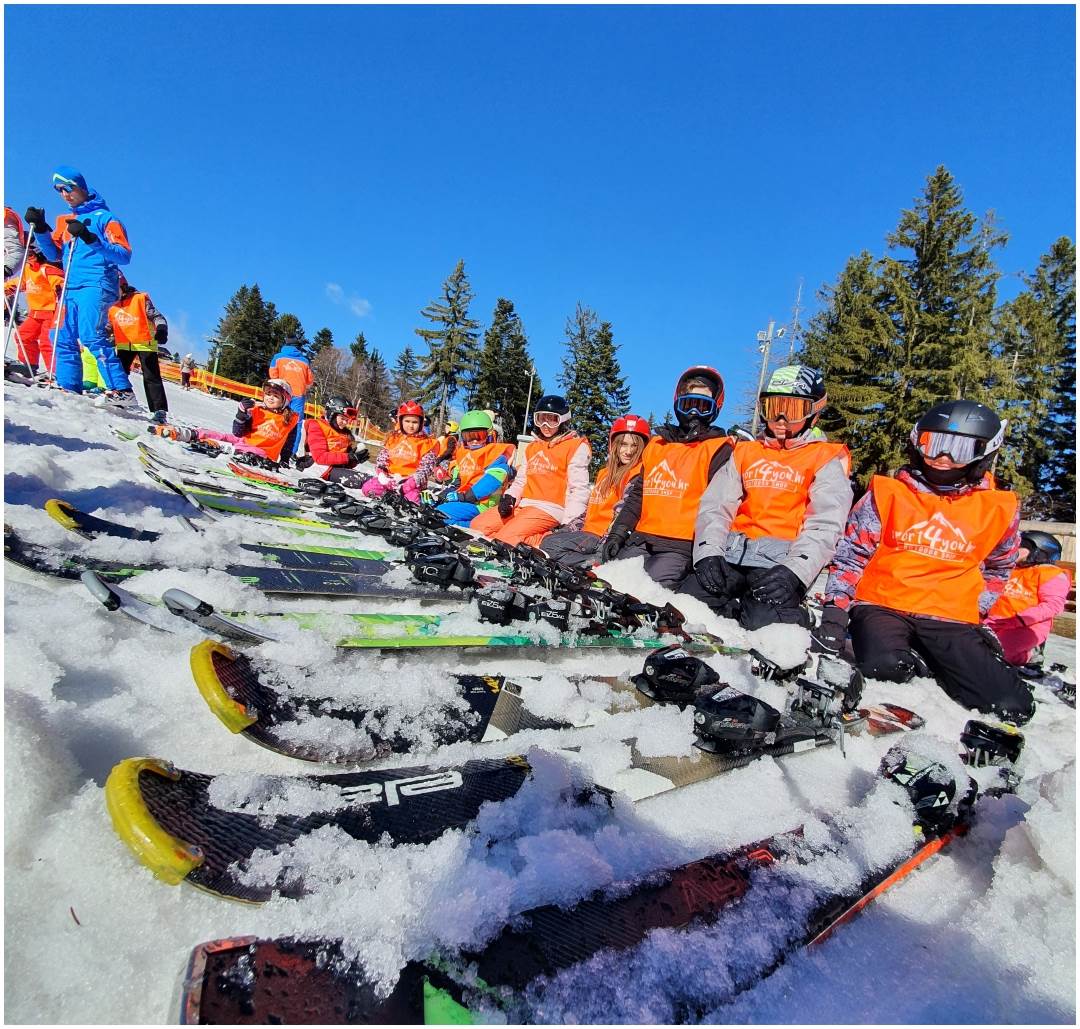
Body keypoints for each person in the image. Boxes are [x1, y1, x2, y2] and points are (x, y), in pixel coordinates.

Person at [816, 399, 1034, 725]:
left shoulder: (998, 507)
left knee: (1012, 705)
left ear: (983, 453)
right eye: (934, 445)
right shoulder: (889, 493)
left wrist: (978, 610)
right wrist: (835, 611)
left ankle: (950, 661)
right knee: (884, 668)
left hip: (951, 615)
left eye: (958, 449)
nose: (943, 458)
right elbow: (851, 554)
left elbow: (1000, 565)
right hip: (882, 603)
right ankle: (909, 655)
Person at [679, 365, 852, 630]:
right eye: (773, 408)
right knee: (687, 606)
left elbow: (825, 524)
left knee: (763, 627)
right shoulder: (746, 452)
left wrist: (795, 572)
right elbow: (716, 506)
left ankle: (798, 617)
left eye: (792, 410)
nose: (781, 418)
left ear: (813, 414)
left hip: (779, 563)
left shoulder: (824, 458)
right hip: (732, 554)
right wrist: (707, 553)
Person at [600, 367, 732, 586]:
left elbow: (718, 508)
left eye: (702, 406)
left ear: (715, 408)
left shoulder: (719, 449)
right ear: (677, 402)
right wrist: (619, 532)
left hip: (680, 546)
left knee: (646, 593)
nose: (693, 414)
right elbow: (637, 496)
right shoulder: (657, 444)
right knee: (609, 583)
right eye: (688, 405)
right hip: (642, 539)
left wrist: (708, 552)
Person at [24, 166, 134, 399]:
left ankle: (122, 390)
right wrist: (42, 229)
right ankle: (69, 386)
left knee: (91, 335)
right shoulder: (66, 221)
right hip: (70, 286)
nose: (64, 195)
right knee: (61, 336)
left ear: (81, 187)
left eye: (68, 188)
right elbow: (54, 255)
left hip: (96, 283)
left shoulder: (106, 218)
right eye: (59, 191)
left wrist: (90, 238)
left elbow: (124, 255)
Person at [470, 395, 591, 547]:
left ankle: (548, 542)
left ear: (563, 421)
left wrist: (569, 523)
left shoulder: (575, 446)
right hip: (524, 506)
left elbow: (579, 489)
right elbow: (521, 480)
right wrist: (510, 497)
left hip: (550, 508)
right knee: (477, 526)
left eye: (552, 419)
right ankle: (515, 540)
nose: (546, 425)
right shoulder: (533, 447)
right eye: (541, 419)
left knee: (505, 538)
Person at [541, 415, 651, 568]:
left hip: (599, 537)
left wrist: (605, 545)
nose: (628, 451)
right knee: (549, 539)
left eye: (634, 446)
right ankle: (583, 563)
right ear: (614, 445)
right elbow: (589, 512)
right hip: (588, 533)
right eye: (623, 444)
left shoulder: (635, 475)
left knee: (551, 546)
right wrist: (566, 529)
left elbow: (622, 514)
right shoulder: (604, 474)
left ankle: (596, 564)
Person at [151, 379, 298, 462]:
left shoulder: (290, 419)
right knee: (221, 435)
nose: (270, 398)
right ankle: (185, 434)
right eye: (268, 394)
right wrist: (241, 414)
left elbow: (289, 441)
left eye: (275, 396)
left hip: (262, 454)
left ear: (285, 400)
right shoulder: (257, 410)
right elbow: (238, 433)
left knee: (239, 447)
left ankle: (215, 446)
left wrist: (284, 460)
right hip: (244, 442)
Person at [984, 531, 1071, 668]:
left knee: (998, 654)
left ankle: (1031, 654)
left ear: (1041, 552)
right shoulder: (1010, 569)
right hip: (996, 620)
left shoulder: (1050, 573)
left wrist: (1021, 618)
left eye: (1024, 546)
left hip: (1026, 626)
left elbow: (1053, 605)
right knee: (971, 649)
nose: (1017, 550)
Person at [432, 410, 516, 526]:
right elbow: (457, 482)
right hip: (465, 500)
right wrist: (441, 496)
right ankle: (474, 524)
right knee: (433, 508)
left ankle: (479, 525)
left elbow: (490, 483)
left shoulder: (496, 455)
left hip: (482, 503)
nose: (475, 441)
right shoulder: (464, 455)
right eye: (469, 437)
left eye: (480, 436)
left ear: (489, 435)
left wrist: (463, 496)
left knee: (441, 513)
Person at [107, 273, 169, 421]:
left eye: (114, 289)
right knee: (120, 372)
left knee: (151, 376)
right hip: (124, 344)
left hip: (144, 343)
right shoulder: (112, 306)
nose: (112, 292)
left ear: (123, 286)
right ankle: (121, 397)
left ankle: (159, 410)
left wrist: (161, 329)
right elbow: (110, 325)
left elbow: (157, 317)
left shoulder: (140, 299)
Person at [361, 400, 439, 503]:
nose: (411, 426)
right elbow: (382, 459)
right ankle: (392, 497)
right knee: (368, 488)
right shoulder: (393, 438)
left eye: (414, 422)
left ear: (421, 423)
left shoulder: (427, 443)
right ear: (401, 421)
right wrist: (382, 475)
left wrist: (409, 484)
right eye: (407, 421)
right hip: (391, 479)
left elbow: (425, 469)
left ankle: (408, 499)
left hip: (411, 483)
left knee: (412, 499)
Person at [5, 244, 63, 374]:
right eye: (26, 256)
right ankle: (29, 364)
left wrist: (59, 289)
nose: (28, 259)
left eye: (31, 255)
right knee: (23, 336)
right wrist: (6, 288)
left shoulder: (46, 269)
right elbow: (22, 282)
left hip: (51, 312)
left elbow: (59, 281)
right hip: (35, 312)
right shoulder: (27, 269)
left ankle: (55, 372)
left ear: (39, 255)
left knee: (46, 342)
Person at [295, 395, 367, 481]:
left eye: (347, 420)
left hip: (334, 470)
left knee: (368, 480)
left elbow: (345, 463)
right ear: (331, 414)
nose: (345, 423)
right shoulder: (317, 426)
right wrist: (348, 457)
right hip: (317, 469)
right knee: (363, 480)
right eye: (342, 418)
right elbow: (320, 457)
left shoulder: (344, 433)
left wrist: (355, 459)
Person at [269, 336, 314, 457]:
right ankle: (290, 452)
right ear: (298, 347)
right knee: (296, 423)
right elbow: (310, 381)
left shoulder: (278, 357)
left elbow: (272, 375)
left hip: (281, 392)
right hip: (298, 396)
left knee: (276, 418)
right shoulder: (305, 361)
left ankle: (269, 445)